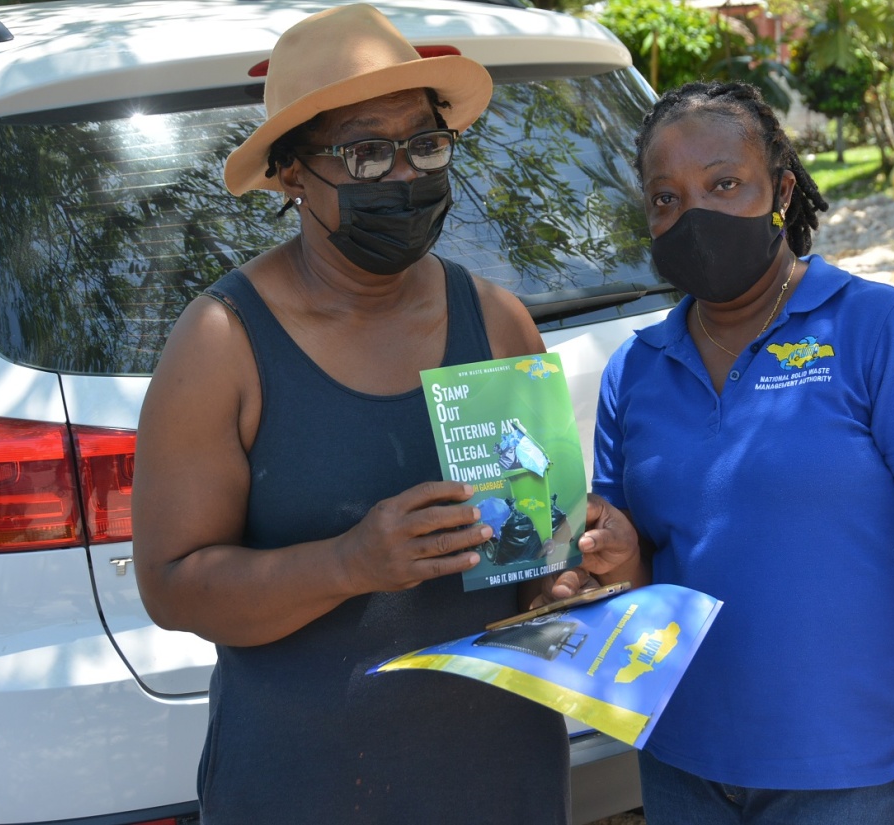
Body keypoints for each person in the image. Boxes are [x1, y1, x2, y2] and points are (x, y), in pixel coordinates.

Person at [132, 6, 626, 822]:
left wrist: (584, 569)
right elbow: (174, 587)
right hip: (304, 789)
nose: (403, 176)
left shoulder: (497, 321)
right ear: (292, 174)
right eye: (365, 152)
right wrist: (350, 563)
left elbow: (538, 555)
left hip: (501, 781)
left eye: (425, 144)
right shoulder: (223, 344)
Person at [581, 80, 894, 825]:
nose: (694, 214)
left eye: (723, 184)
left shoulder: (883, 333)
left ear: (779, 190)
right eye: (666, 199)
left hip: (851, 773)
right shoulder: (637, 368)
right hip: (681, 763)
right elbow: (644, 575)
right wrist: (608, 561)